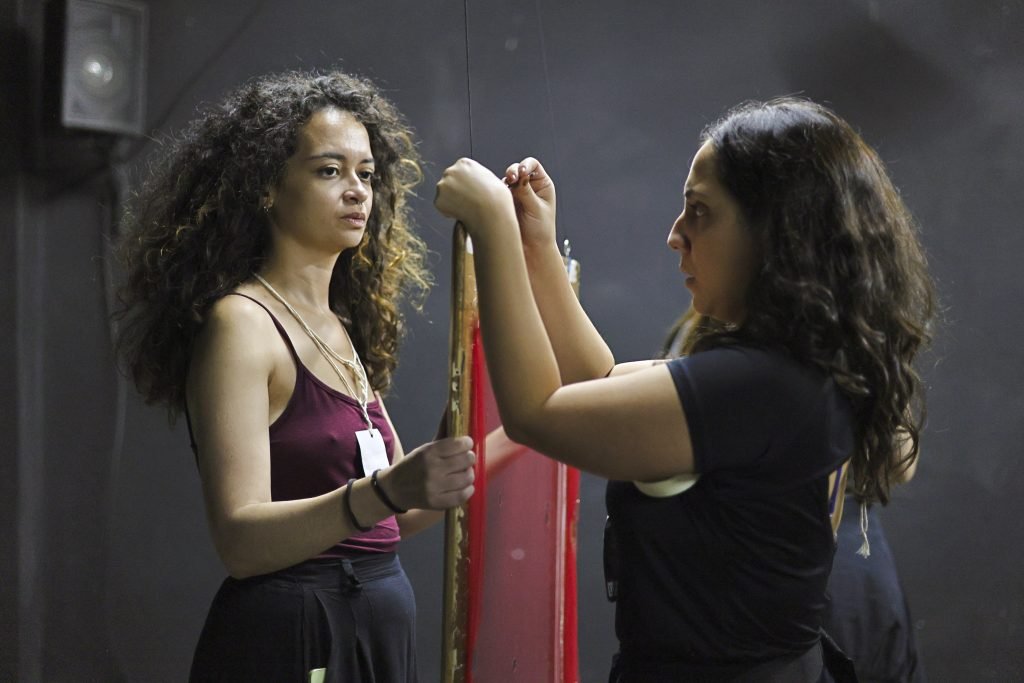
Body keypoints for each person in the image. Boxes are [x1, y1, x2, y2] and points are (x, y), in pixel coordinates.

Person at [434, 97, 936, 681]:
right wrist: (540, 251)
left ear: (775, 231)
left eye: (700, 212)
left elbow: (537, 414)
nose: (677, 235)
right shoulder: (786, 370)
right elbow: (598, 384)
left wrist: (494, 227)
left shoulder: (756, 385)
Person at [115, 69, 476, 682]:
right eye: (329, 170)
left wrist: (479, 434)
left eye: (366, 173)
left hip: (375, 628)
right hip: (295, 638)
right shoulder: (242, 324)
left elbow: (393, 517)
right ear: (266, 188)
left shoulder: (338, 325)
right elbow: (241, 541)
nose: (358, 191)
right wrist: (388, 489)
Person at [663, 308, 926, 682]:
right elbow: (899, 464)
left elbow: (899, 462)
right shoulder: (846, 325)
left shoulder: (809, 329)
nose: (678, 246)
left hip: (808, 569)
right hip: (837, 569)